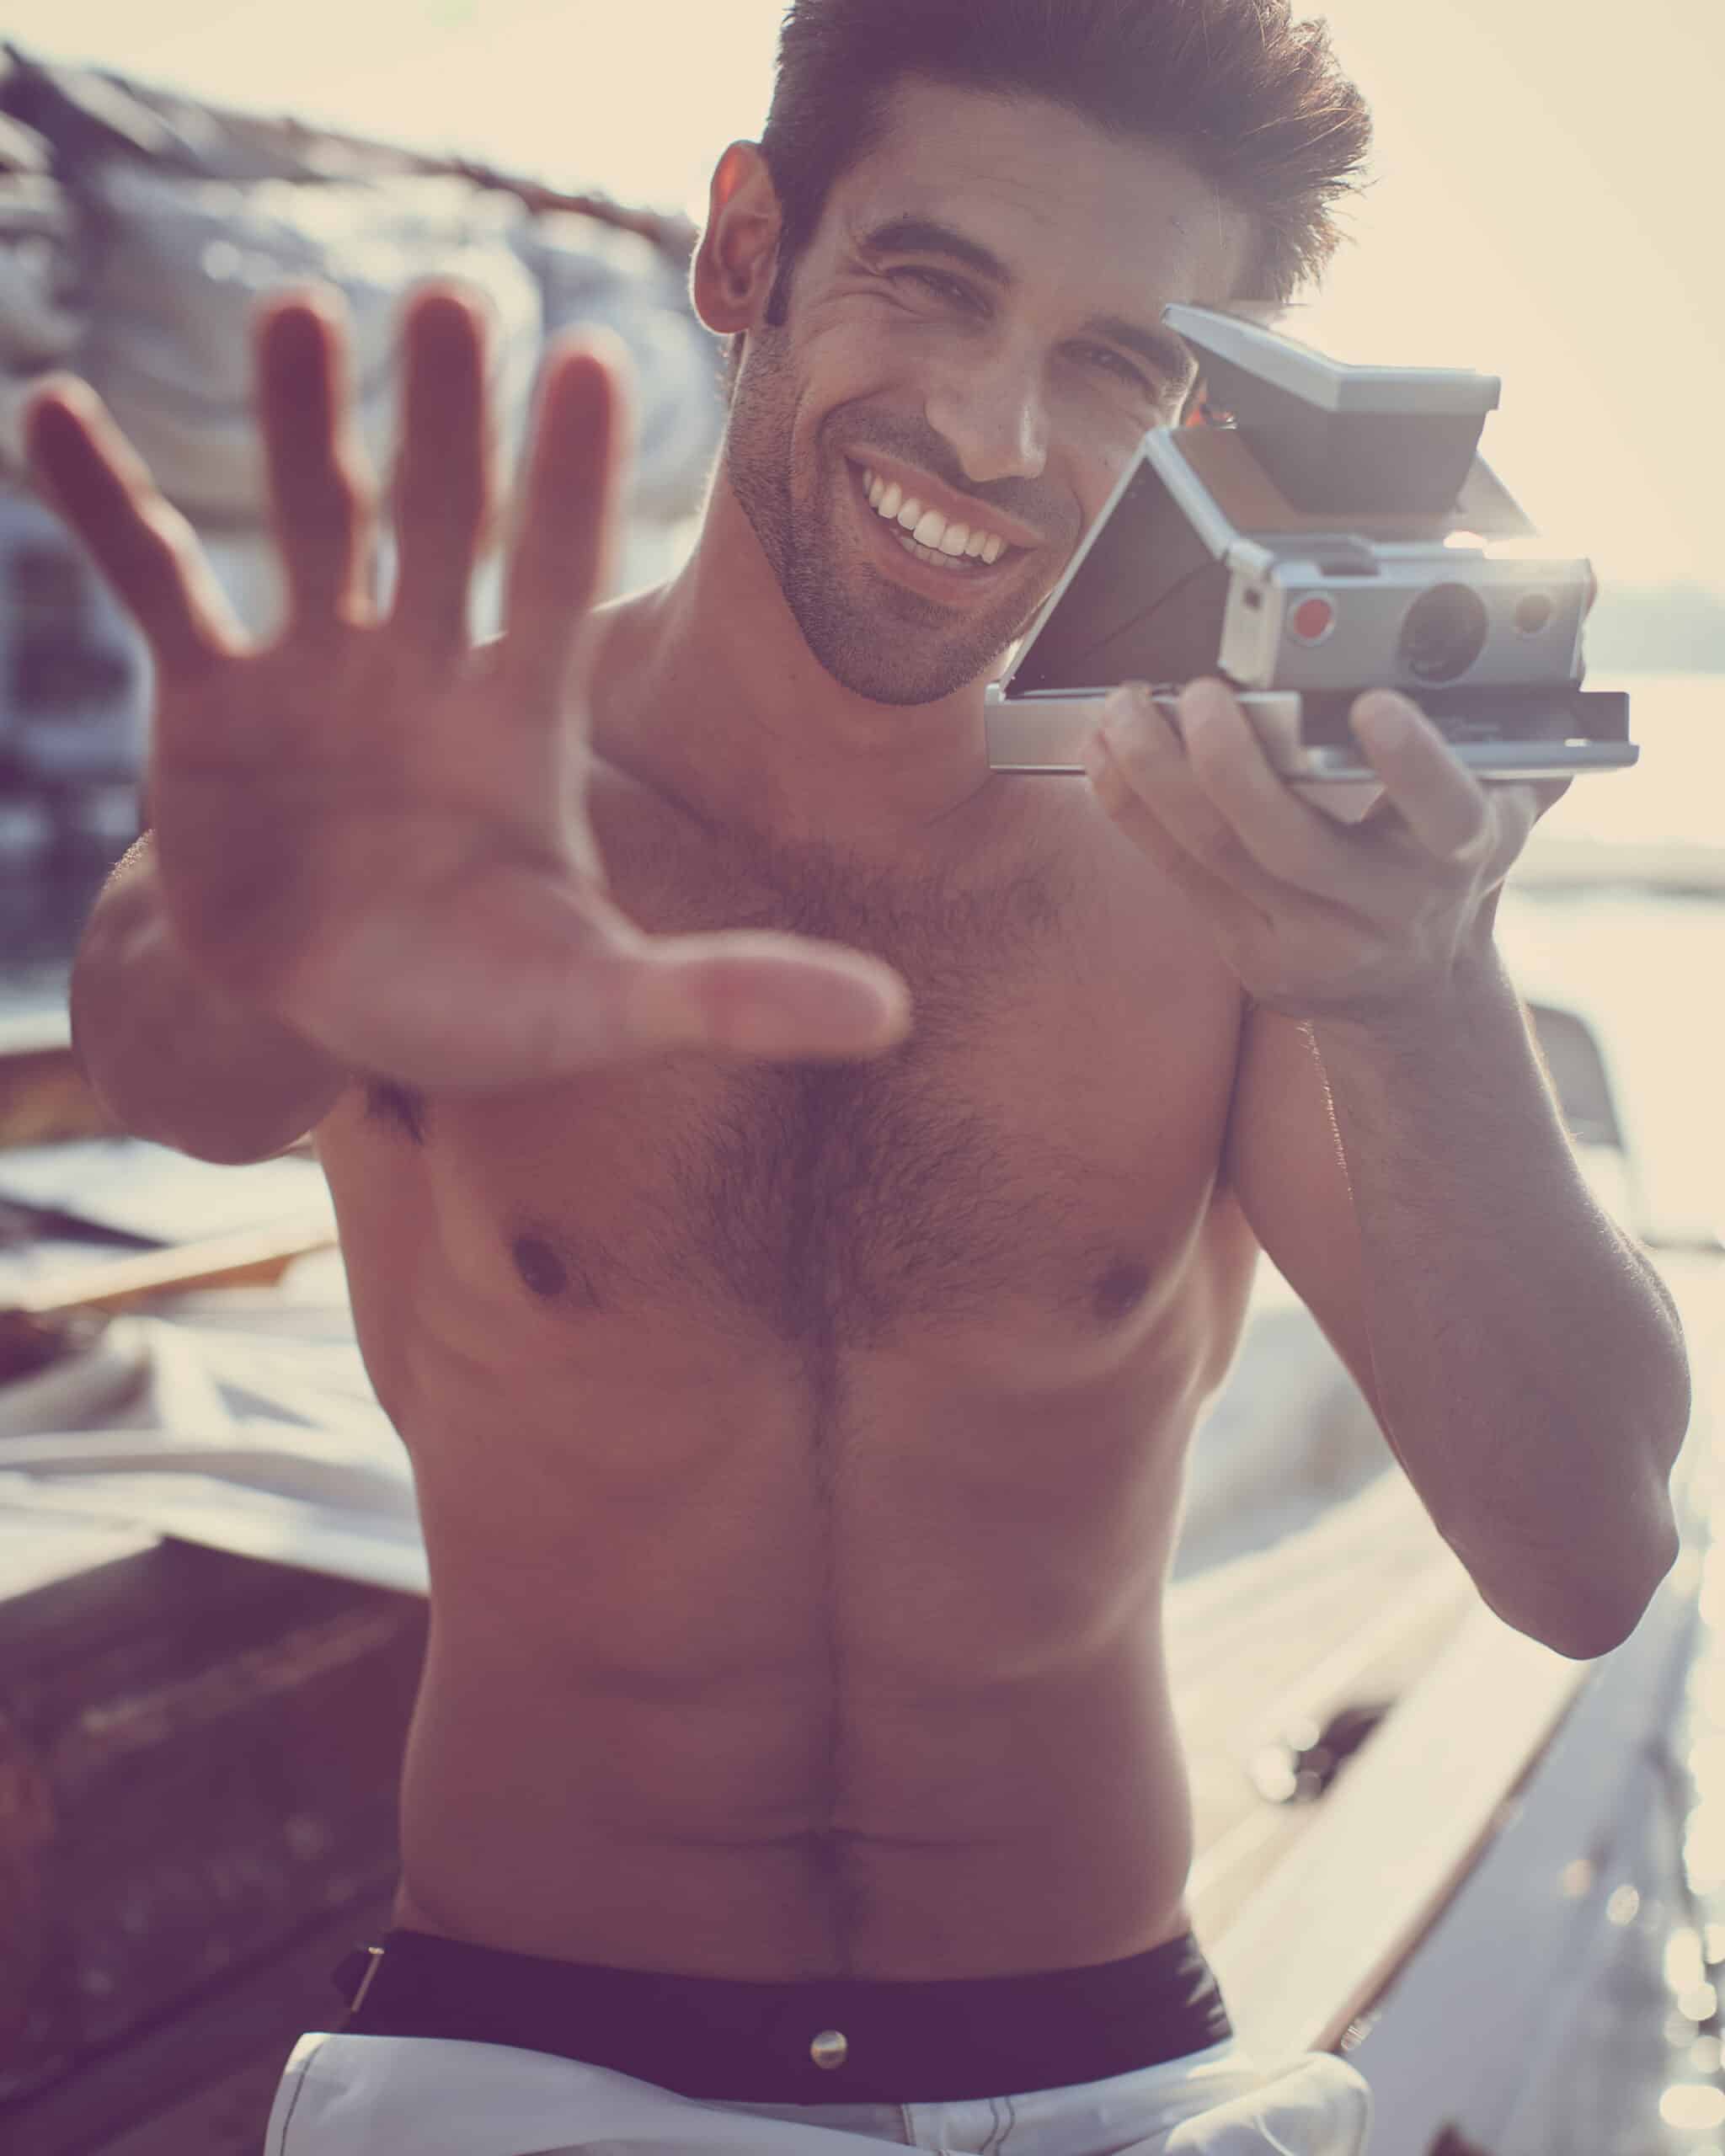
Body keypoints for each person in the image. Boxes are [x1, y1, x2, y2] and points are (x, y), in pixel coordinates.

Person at [33, 1, 1690, 2148]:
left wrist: (1417, 976)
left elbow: (1580, 1554)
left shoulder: (1230, 866)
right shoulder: (451, 796)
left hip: (1106, 2064)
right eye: (935, 285)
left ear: (1200, 412)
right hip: (526, 2050)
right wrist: (278, 944)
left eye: (1119, 360)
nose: (1000, 433)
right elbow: (174, 1066)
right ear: (746, 253)